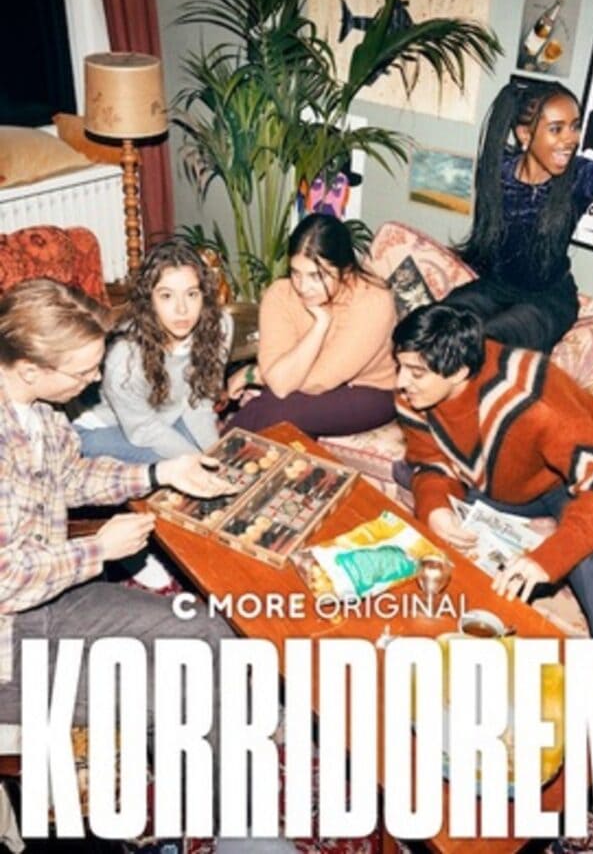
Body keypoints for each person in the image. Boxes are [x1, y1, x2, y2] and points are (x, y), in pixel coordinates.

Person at [0, 277, 238, 732]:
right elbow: (7, 580)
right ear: (30, 369)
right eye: (83, 372)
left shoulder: (41, 409)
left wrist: (159, 473)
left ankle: (225, 751)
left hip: (52, 597)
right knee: (181, 696)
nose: (95, 380)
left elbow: (70, 477)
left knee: (210, 630)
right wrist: (100, 549)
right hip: (7, 652)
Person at [392, 303, 593, 693]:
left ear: (458, 371)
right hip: (499, 480)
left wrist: (547, 560)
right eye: (399, 366)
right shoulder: (416, 394)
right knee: (425, 503)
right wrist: (437, 507)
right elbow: (429, 460)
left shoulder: (532, 399)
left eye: (415, 372)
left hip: (576, 476)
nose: (400, 382)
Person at [445, 78, 593, 353]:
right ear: (525, 135)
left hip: (548, 301)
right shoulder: (496, 172)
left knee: (488, 344)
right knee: (435, 327)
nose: (571, 139)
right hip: (494, 289)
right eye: (556, 129)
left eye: (575, 126)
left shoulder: (580, 177)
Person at [225, 213, 397, 438]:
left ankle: (212, 456)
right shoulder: (281, 295)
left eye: (316, 276)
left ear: (345, 271)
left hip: (369, 390)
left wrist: (257, 374)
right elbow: (281, 380)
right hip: (301, 382)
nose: (303, 287)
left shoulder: (373, 301)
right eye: (296, 273)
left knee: (275, 410)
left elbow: (315, 381)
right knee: (277, 407)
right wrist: (319, 327)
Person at [74, 239, 232, 463]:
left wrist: (217, 456)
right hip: (110, 429)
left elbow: (199, 404)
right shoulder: (124, 358)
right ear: (149, 300)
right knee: (176, 464)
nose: (182, 309)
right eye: (166, 296)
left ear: (204, 296)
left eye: (191, 294)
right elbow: (143, 429)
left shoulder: (220, 327)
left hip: (168, 419)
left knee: (207, 454)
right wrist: (198, 462)